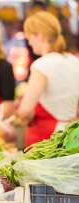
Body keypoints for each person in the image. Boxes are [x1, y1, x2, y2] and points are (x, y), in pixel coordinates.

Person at [16, 12, 79, 146]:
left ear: (40, 35)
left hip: (47, 139)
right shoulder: (74, 61)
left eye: (30, 37)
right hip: (72, 136)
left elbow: (25, 111)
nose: (29, 42)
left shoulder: (41, 65)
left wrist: (16, 118)